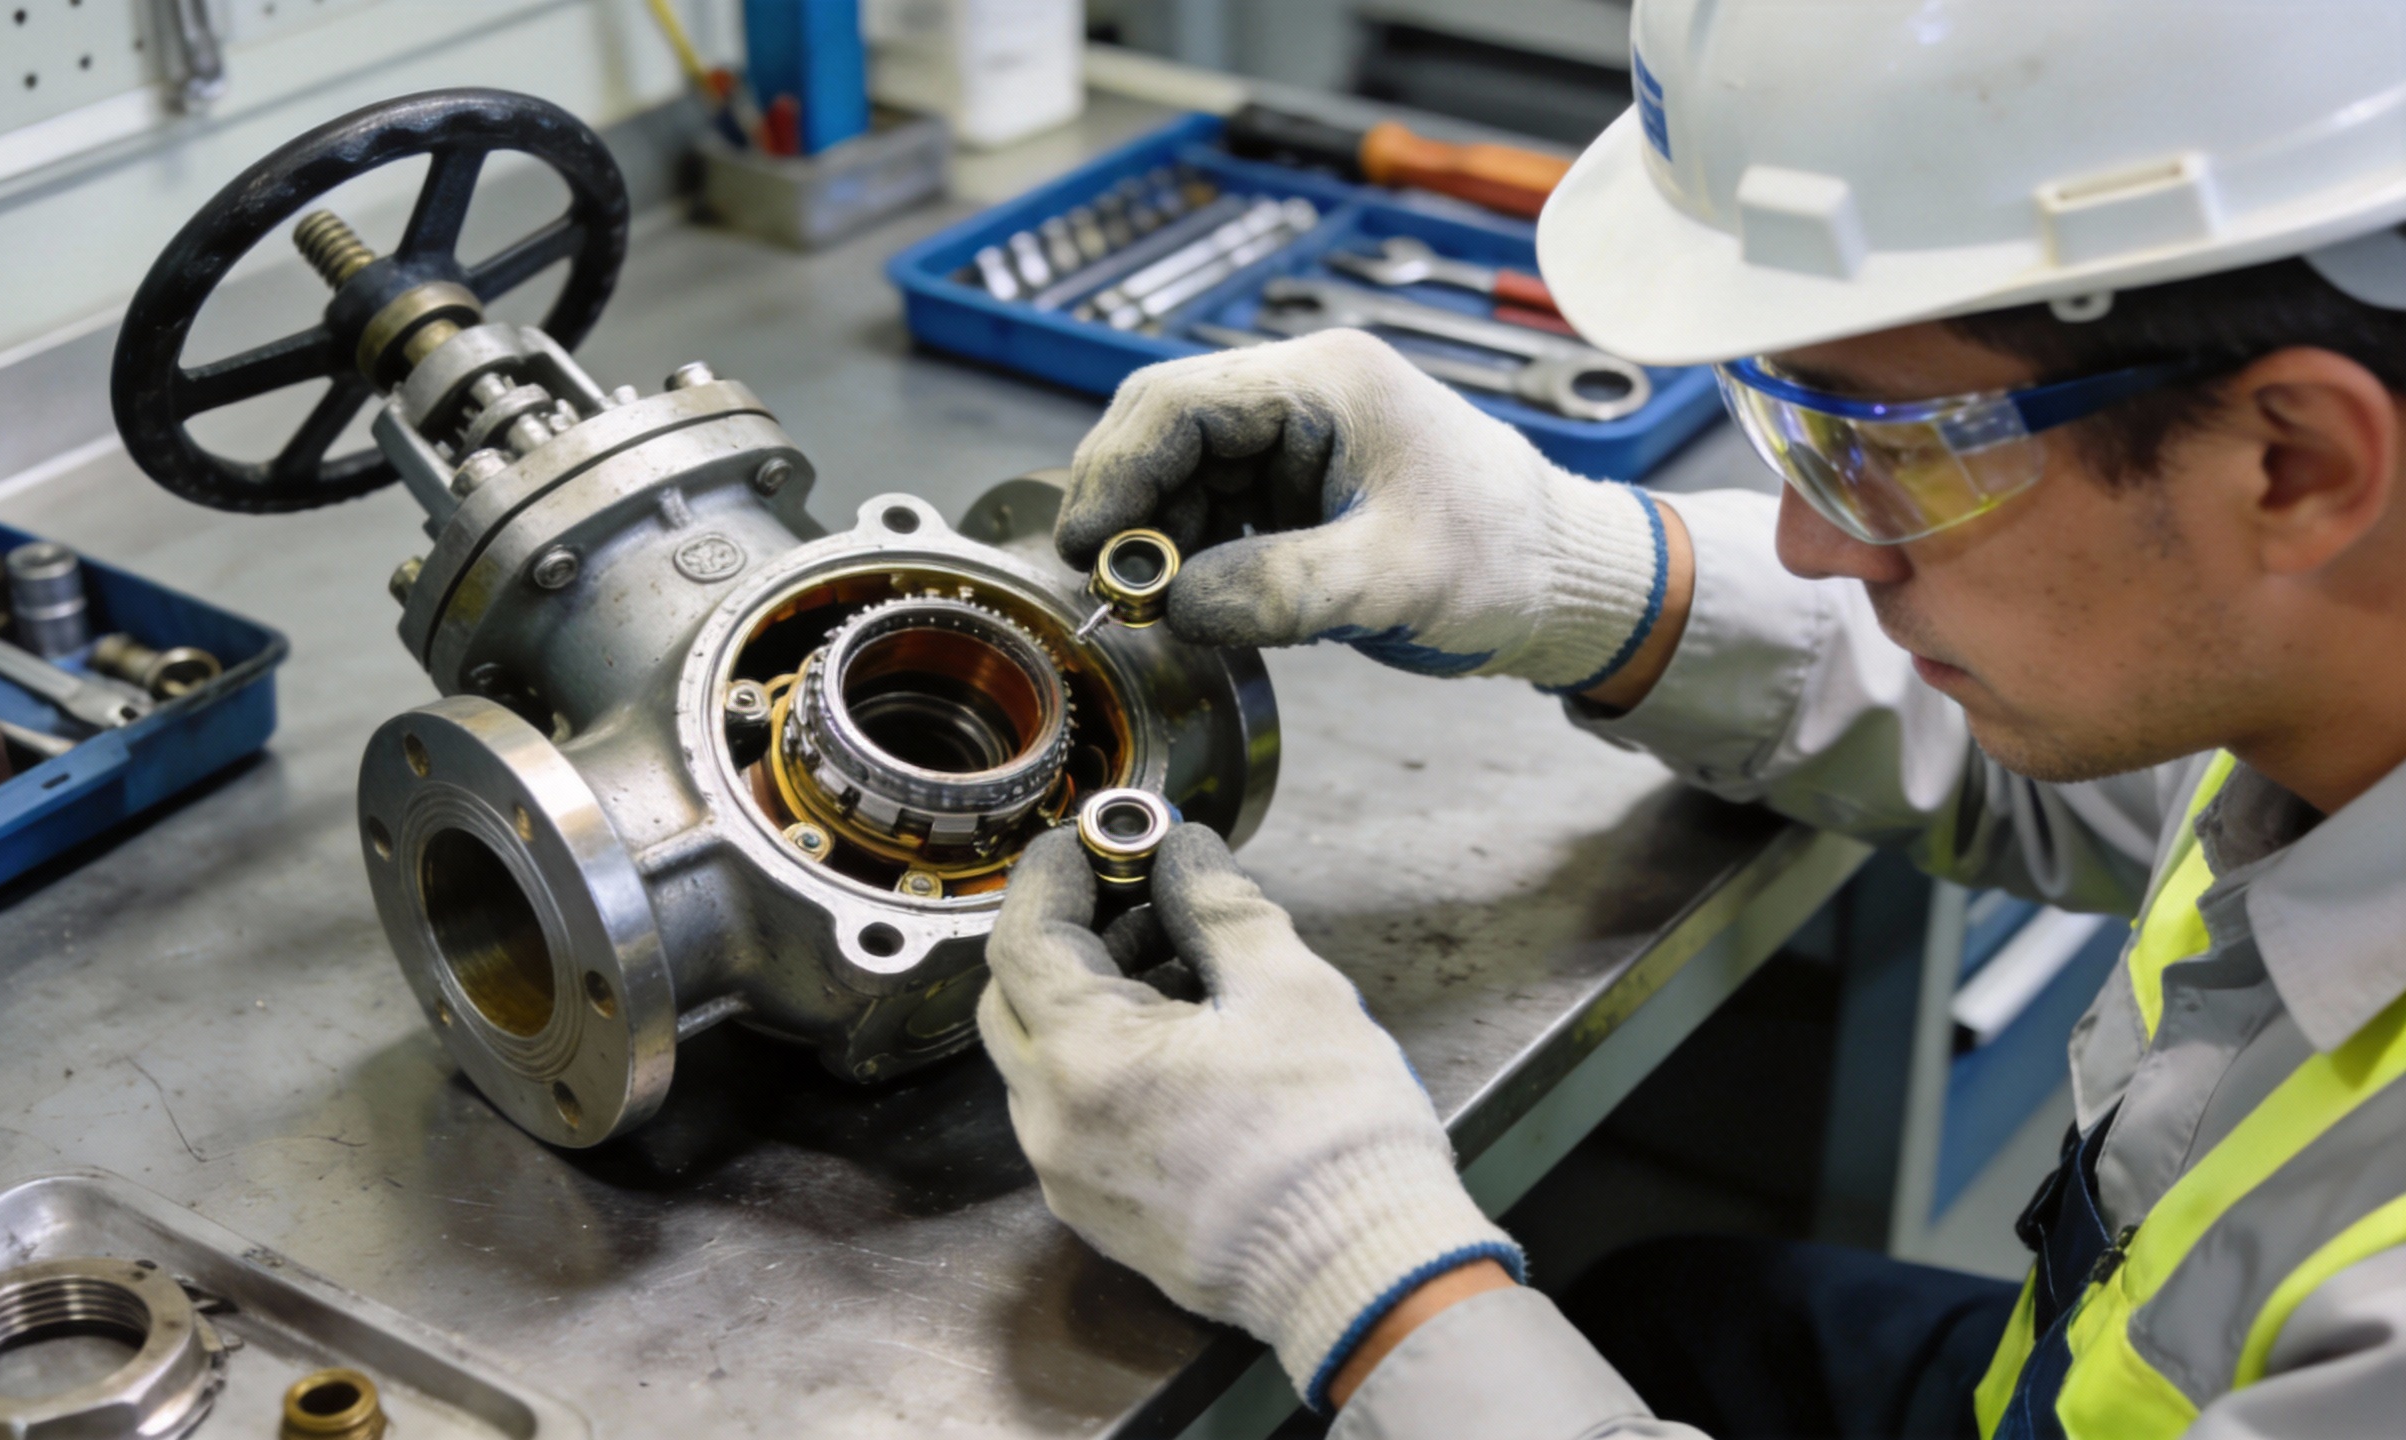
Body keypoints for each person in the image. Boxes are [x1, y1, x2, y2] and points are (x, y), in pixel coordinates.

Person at [971, 3, 2406, 1438]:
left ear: (2296, 463)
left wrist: (1352, 1261)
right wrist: (1578, 571)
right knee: (1681, 1318)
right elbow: (2118, 773)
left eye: (1879, 451)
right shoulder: (2331, 679)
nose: (1809, 545)